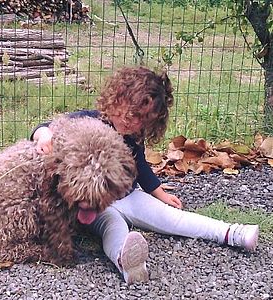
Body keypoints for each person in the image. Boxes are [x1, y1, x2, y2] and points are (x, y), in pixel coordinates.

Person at [31, 66, 259, 285]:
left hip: (128, 195)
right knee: (113, 226)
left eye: (142, 118)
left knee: (170, 217)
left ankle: (231, 232)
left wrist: (160, 194)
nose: (132, 121)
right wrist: (44, 136)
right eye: (129, 111)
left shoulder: (134, 136)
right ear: (115, 97)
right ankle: (126, 260)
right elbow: (43, 126)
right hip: (94, 203)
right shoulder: (87, 120)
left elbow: (141, 166)